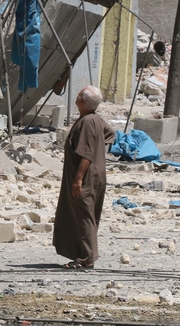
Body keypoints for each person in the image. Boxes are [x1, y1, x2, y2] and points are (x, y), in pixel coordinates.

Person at [53, 86, 115, 269]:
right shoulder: (95, 120)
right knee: (87, 215)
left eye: (80, 93)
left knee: (84, 216)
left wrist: (78, 179)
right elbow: (111, 133)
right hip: (97, 175)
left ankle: (87, 258)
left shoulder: (88, 122)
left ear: (82, 101)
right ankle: (83, 253)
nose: (77, 94)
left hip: (86, 178)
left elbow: (86, 154)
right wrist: (99, 148)